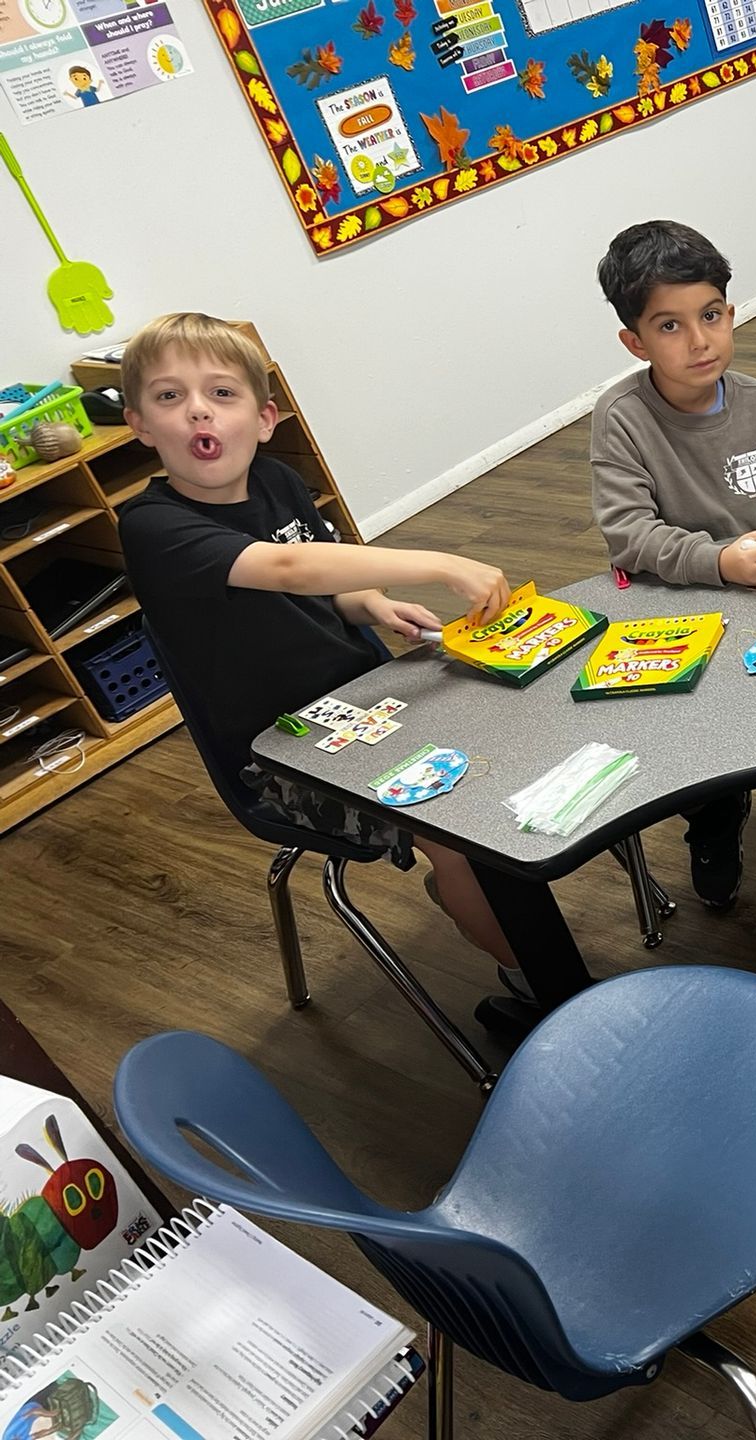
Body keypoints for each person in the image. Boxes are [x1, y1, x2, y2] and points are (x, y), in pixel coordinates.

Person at [115, 313, 538, 1027]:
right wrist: (438, 561)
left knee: (512, 733)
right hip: (280, 757)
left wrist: (372, 602)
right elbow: (284, 566)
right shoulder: (151, 528)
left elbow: (321, 580)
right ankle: (540, 982)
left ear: (265, 417)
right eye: (168, 397)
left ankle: (496, 898)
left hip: (367, 703)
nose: (196, 410)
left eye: (221, 392)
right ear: (139, 426)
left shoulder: (277, 482)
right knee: (455, 827)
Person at [591, 219, 756, 906]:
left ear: (730, 313)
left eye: (710, 316)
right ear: (635, 341)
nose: (700, 340)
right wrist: (716, 561)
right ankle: (714, 814)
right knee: (705, 737)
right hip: (679, 605)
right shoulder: (621, 418)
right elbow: (629, 535)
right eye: (670, 326)